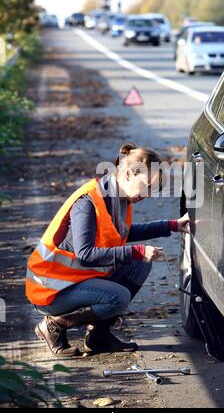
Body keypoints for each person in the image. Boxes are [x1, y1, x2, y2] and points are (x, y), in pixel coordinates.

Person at [26, 142, 189, 357]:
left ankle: (98, 337)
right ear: (129, 174)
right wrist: (136, 251)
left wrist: (171, 225)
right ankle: (55, 324)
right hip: (50, 290)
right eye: (147, 185)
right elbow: (85, 254)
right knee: (118, 297)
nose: (149, 194)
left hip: (74, 279)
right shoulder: (88, 202)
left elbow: (122, 234)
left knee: (140, 265)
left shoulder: (118, 198)